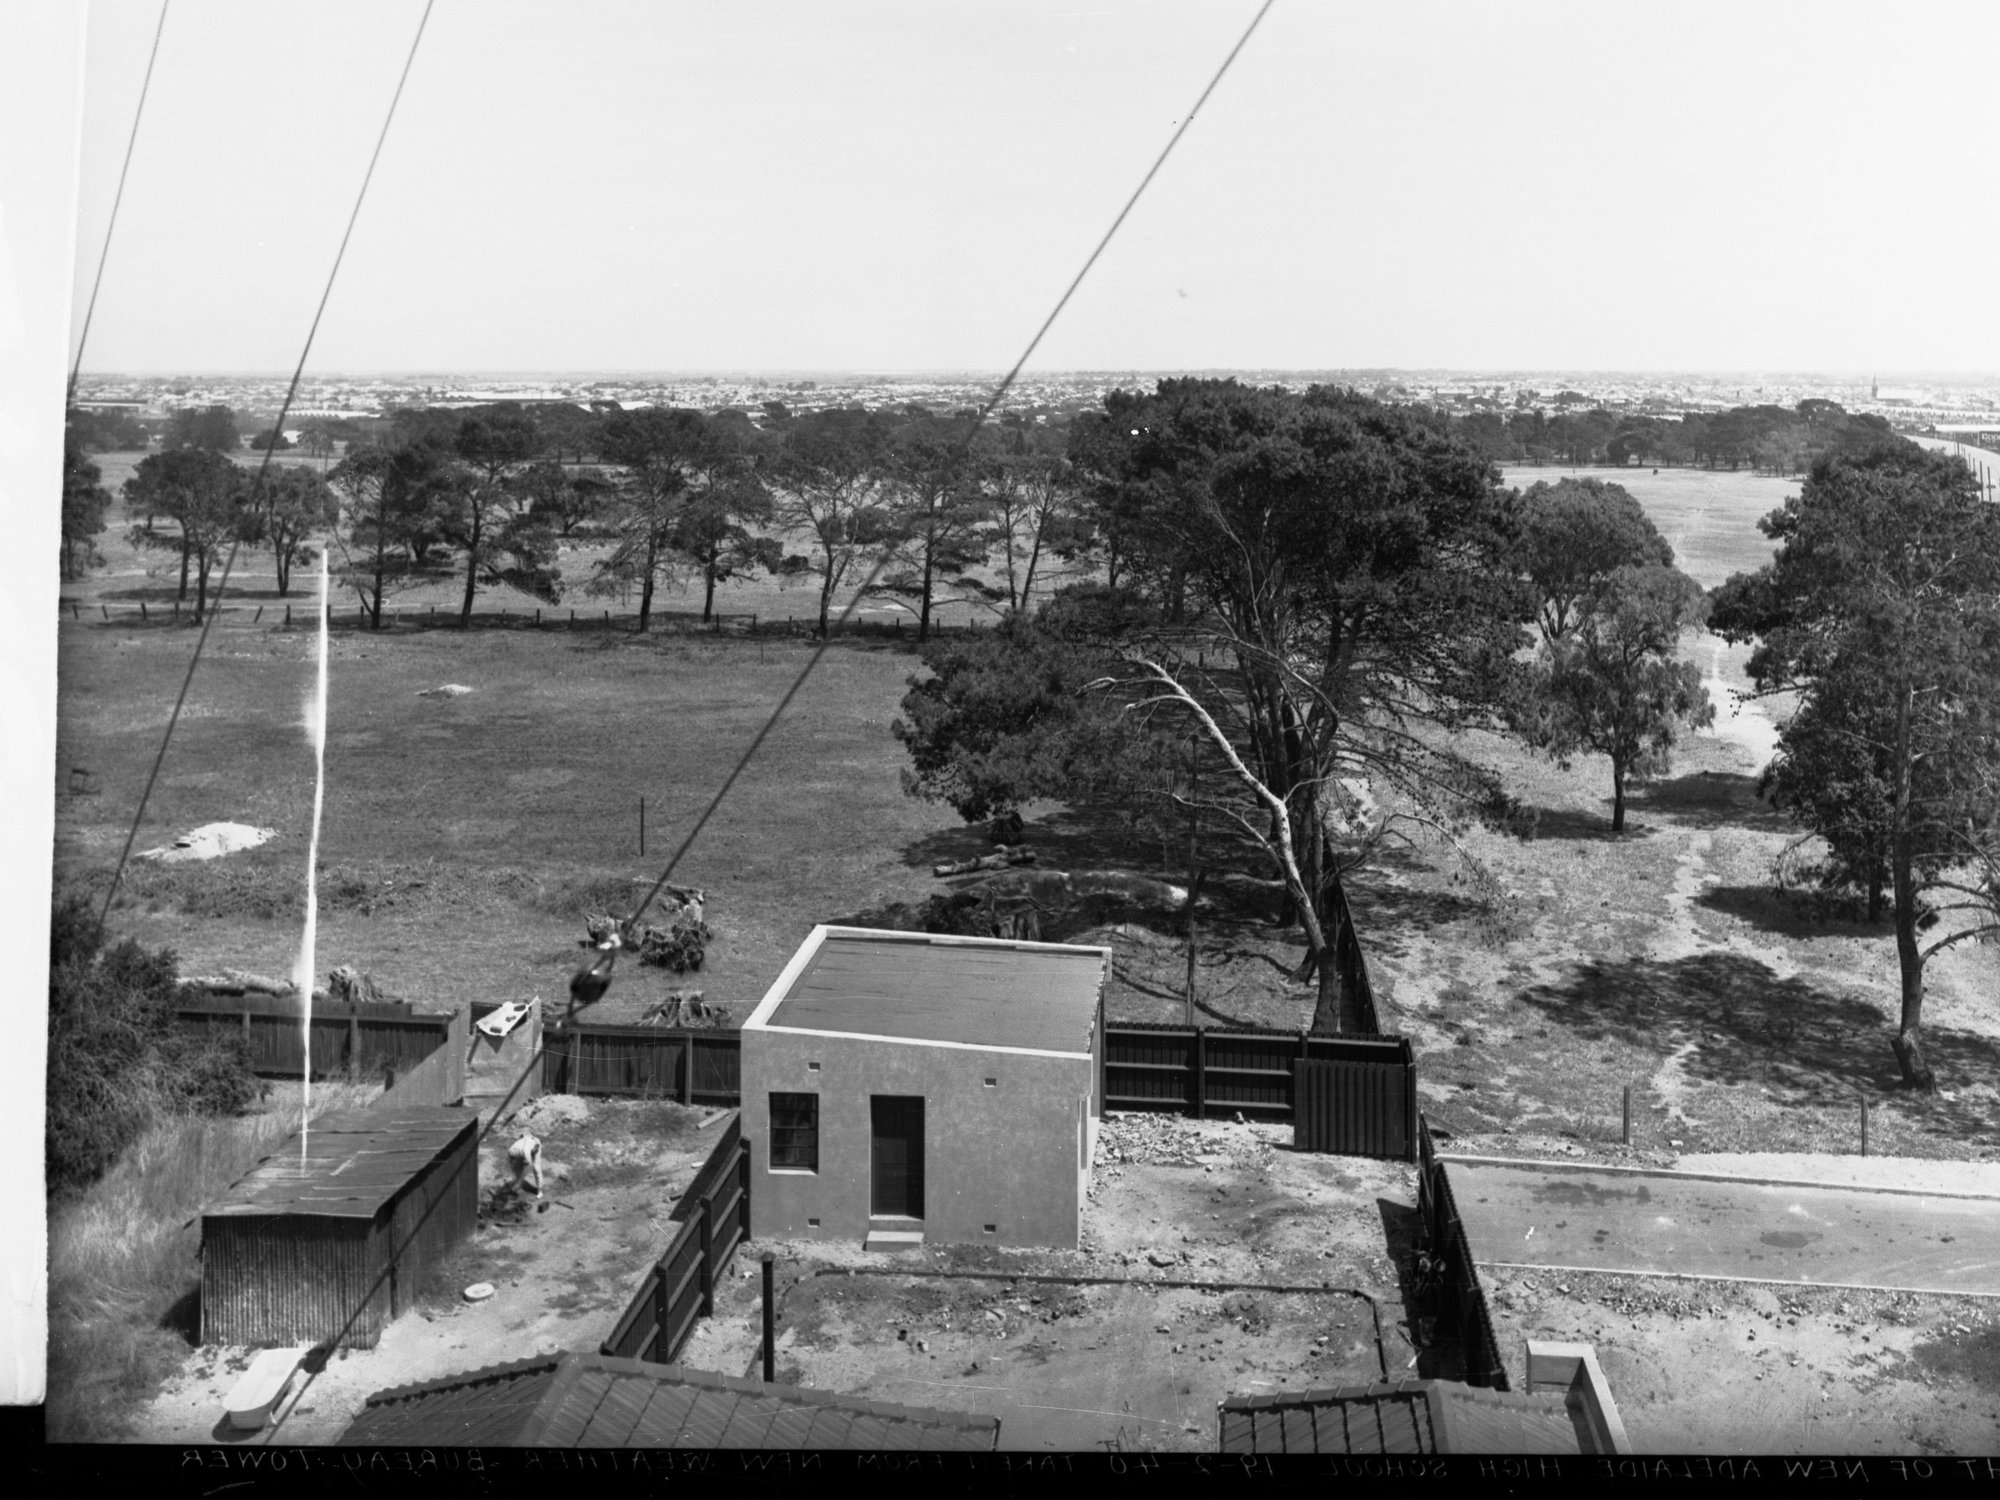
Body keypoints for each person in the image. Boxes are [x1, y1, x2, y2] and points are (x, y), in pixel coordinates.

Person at [507, 1131, 544, 1197]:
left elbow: (527, 1169)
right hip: (525, 1147)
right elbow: (513, 1167)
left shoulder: (526, 1153)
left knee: (536, 1168)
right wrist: (515, 1178)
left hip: (535, 1146)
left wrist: (520, 1181)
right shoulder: (511, 1150)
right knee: (517, 1168)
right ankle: (516, 1185)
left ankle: (539, 1191)